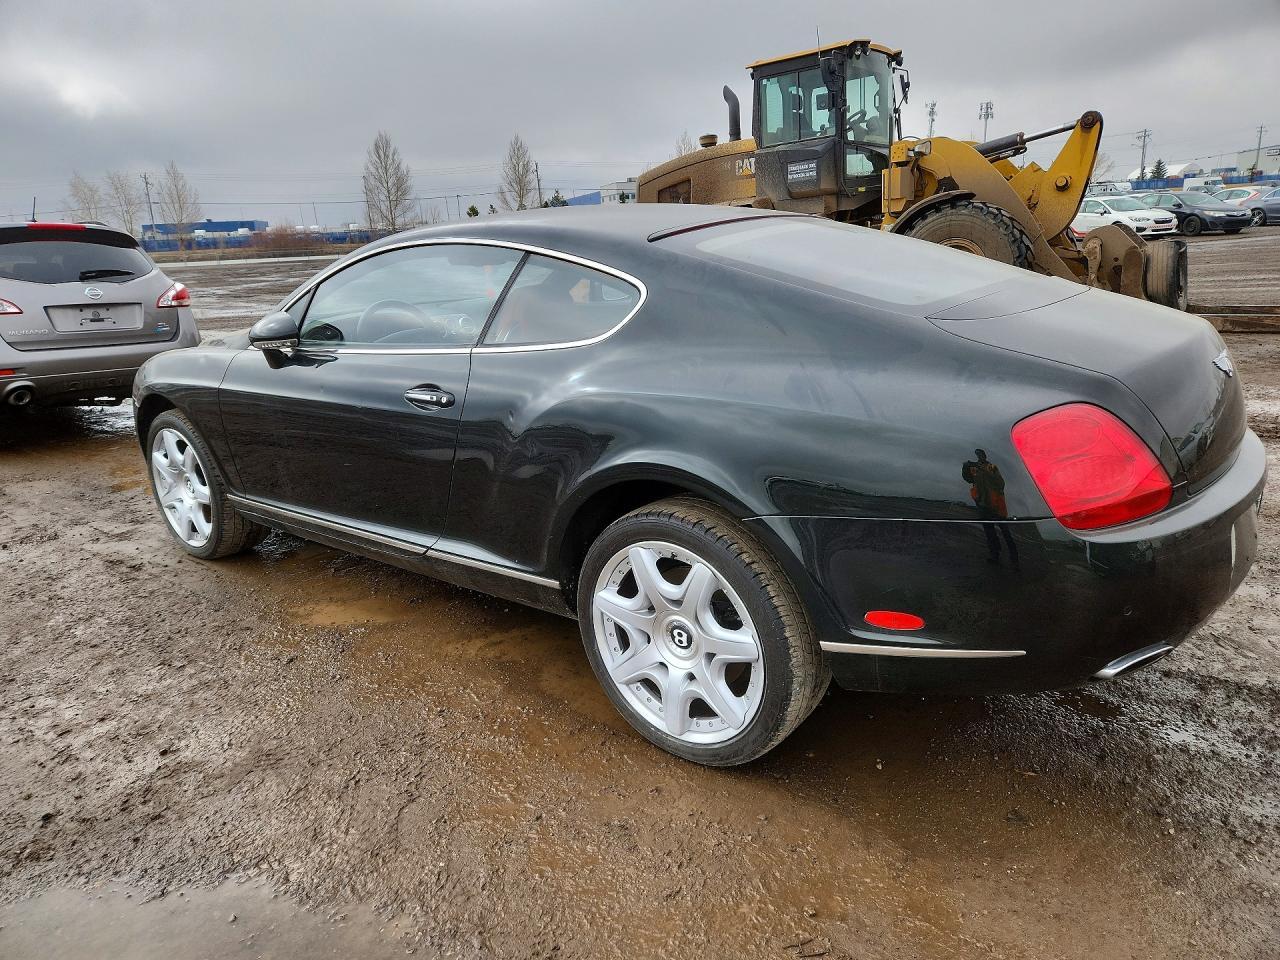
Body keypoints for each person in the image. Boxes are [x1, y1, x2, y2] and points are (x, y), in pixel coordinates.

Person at [962, 449, 1019, 567]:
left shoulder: (991, 467)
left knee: (1006, 533)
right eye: (978, 456)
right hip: (983, 506)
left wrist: (983, 469)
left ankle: (1015, 558)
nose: (979, 457)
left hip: (997, 507)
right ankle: (995, 555)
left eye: (981, 455)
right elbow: (968, 479)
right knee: (990, 533)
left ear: (985, 456)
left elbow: (1000, 483)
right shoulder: (974, 469)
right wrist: (965, 467)